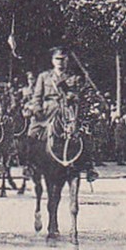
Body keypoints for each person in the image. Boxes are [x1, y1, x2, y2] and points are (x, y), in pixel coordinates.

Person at [28, 46, 99, 181]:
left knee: (85, 134)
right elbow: (37, 97)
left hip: (69, 111)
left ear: (67, 60)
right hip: (48, 111)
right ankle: (30, 166)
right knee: (32, 133)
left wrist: (71, 94)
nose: (60, 62)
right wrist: (37, 109)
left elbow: (79, 95)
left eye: (63, 59)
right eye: (57, 59)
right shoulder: (44, 76)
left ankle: (89, 167)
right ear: (52, 61)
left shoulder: (74, 77)